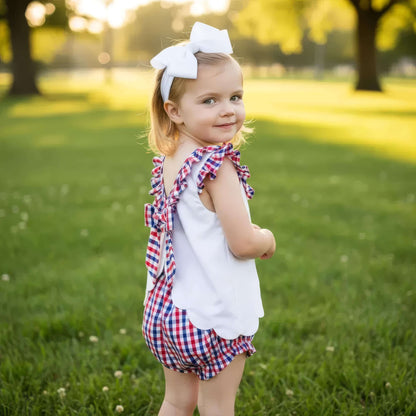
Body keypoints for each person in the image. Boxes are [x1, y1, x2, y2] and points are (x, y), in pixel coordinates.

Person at [142, 22, 276, 416]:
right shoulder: (218, 167)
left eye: (235, 96)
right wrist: (266, 238)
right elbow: (243, 243)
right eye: (210, 100)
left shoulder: (169, 161)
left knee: (176, 402)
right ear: (174, 111)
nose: (228, 109)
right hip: (212, 317)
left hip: (166, 313)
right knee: (217, 407)